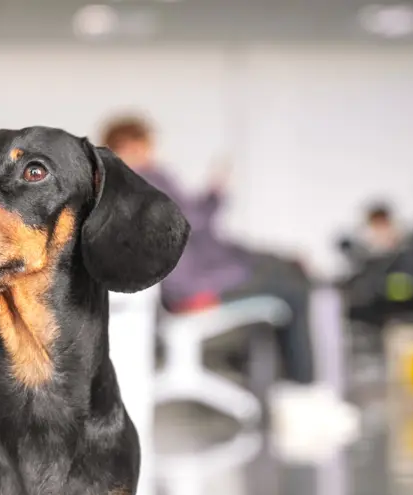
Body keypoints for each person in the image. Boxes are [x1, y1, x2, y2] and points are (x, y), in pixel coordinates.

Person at [100, 115, 317, 385]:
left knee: (286, 272)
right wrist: (215, 193)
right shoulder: (147, 178)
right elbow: (193, 222)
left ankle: (291, 383)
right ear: (134, 145)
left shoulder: (117, 188)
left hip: (191, 280)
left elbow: (194, 228)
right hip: (194, 287)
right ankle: (302, 387)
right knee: (295, 286)